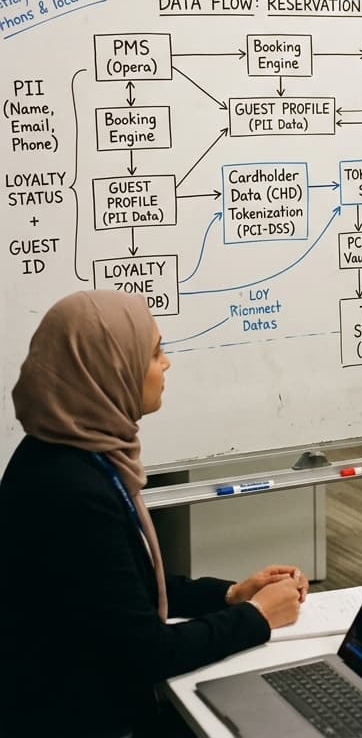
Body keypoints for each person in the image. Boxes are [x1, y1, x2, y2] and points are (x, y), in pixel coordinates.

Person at [0, 290, 309, 738]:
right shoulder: (71, 490)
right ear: (110, 371)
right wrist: (257, 617)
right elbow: (144, 651)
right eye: (154, 352)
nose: (166, 364)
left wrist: (230, 595)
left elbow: (121, 593)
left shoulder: (66, 453)